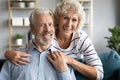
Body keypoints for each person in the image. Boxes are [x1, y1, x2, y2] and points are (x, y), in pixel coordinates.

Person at [4, 0, 103, 80]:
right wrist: (8, 53)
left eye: (74, 20)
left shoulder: (81, 38)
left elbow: (98, 74)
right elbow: (31, 47)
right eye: (65, 18)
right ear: (57, 19)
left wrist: (70, 61)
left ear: (78, 23)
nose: (69, 24)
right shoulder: (48, 35)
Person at [0, 8, 73, 80]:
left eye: (50, 24)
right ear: (32, 28)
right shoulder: (15, 57)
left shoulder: (64, 58)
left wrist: (64, 71)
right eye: (42, 25)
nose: (47, 29)